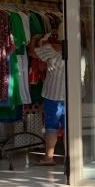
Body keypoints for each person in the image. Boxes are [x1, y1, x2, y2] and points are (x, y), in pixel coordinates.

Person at [32, 30, 65, 166]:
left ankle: (49, 158)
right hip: (73, 94)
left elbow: (33, 53)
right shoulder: (81, 49)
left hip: (53, 94)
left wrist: (33, 41)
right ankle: (71, 157)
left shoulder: (52, 49)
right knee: (69, 127)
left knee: (51, 126)